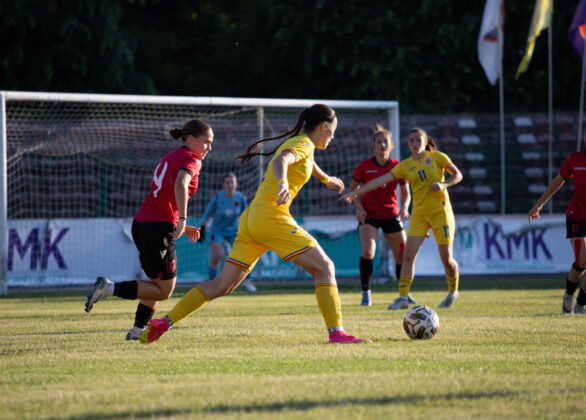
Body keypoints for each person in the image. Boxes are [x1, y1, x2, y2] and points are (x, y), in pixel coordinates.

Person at [140, 104, 372, 344]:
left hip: (252, 219)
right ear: (324, 126)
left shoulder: (302, 144)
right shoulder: (302, 144)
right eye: (332, 132)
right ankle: (337, 333)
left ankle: (164, 322)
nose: (333, 137)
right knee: (325, 267)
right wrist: (283, 183)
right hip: (271, 217)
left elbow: (306, 161)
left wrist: (326, 179)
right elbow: (281, 161)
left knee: (221, 285)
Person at [84, 119, 214, 340]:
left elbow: (164, 197)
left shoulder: (170, 157)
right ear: (191, 139)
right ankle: (108, 289)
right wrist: (182, 219)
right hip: (158, 227)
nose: (209, 148)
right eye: (206, 142)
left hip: (144, 224)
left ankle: (137, 331)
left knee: (155, 284)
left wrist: (182, 225)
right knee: (164, 290)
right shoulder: (192, 159)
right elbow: (181, 184)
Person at [341, 127, 463, 310]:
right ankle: (403, 297)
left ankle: (453, 291)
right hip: (419, 216)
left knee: (446, 259)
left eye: (418, 140)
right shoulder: (405, 166)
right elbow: (377, 181)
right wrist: (354, 193)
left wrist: (444, 184)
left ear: (425, 141)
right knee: (407, 256)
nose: (415, 143)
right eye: (411, 140)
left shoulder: (438, 157)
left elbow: (458, 175)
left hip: (441, 213)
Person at [350, 124, 411, 306]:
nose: (382, 145)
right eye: (379, 142)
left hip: (391, 214)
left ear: (391, 145)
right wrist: (359, 208)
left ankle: (404, 295)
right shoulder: (364, 166)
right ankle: (366, 293)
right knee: (368, 251)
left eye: (385, 142)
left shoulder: (398, 167)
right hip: (369, 215)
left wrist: (404, 208)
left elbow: (406, 193)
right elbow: (353, 191)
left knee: (402, 255)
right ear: (373, 145)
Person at [528, 147, 586, 315]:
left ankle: (580, 305)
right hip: (577, 216)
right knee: (582, 260)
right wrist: (539, 204)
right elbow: (558, 180)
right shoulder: (574, 159)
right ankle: (568, 295)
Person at [200, 172, 256, 292]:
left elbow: (246, 215)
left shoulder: (240, 198)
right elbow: (207, 212)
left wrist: (248, 229)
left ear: (236, 184)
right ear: (223, 185)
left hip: (233, 231)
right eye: (227, 183)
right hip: (218, 231)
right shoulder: (217, 197)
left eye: (232, 182)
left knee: (244, 255)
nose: (230, 185)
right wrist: (202, 227)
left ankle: (247, 280)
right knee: (216, 257)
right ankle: (211, 284)